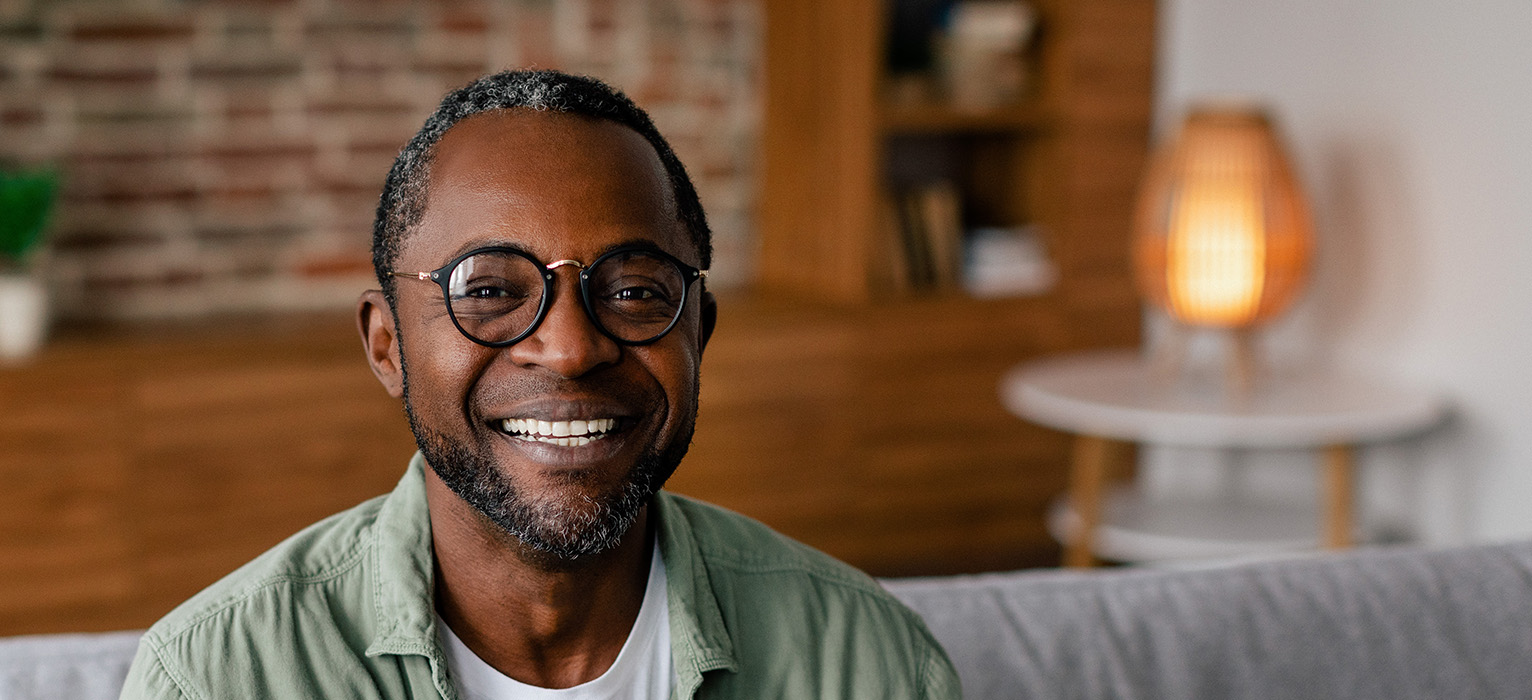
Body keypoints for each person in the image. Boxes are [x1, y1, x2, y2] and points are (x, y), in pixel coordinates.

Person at [119, 70, 960, 700]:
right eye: (488, 291)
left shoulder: (870, 664)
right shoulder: (217, 677)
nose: (568, 348)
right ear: (387, 346)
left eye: (633, 291)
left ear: (699, 331)